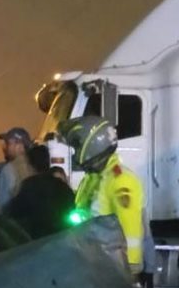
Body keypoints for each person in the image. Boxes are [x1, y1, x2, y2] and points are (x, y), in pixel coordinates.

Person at [58, 116, 145, 274]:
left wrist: (129, 267)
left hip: (114, 267)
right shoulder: (93, 178)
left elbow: (129, 226)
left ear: (91, 144)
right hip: (94, 261)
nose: (76, 153)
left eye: (77, 147)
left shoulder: (121, 180)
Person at [4, 145, 76, 238]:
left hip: (38, 242)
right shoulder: (60, 185)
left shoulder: (28, 186)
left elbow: (14, 211)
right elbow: (72, 204)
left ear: (30, 165)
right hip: (63, 238)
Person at [0, 127, 35, 214]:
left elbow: (1, 205)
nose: (4, 147)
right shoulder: (34, 166)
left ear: (20, 147)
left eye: (8, 143)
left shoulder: (9, 169)